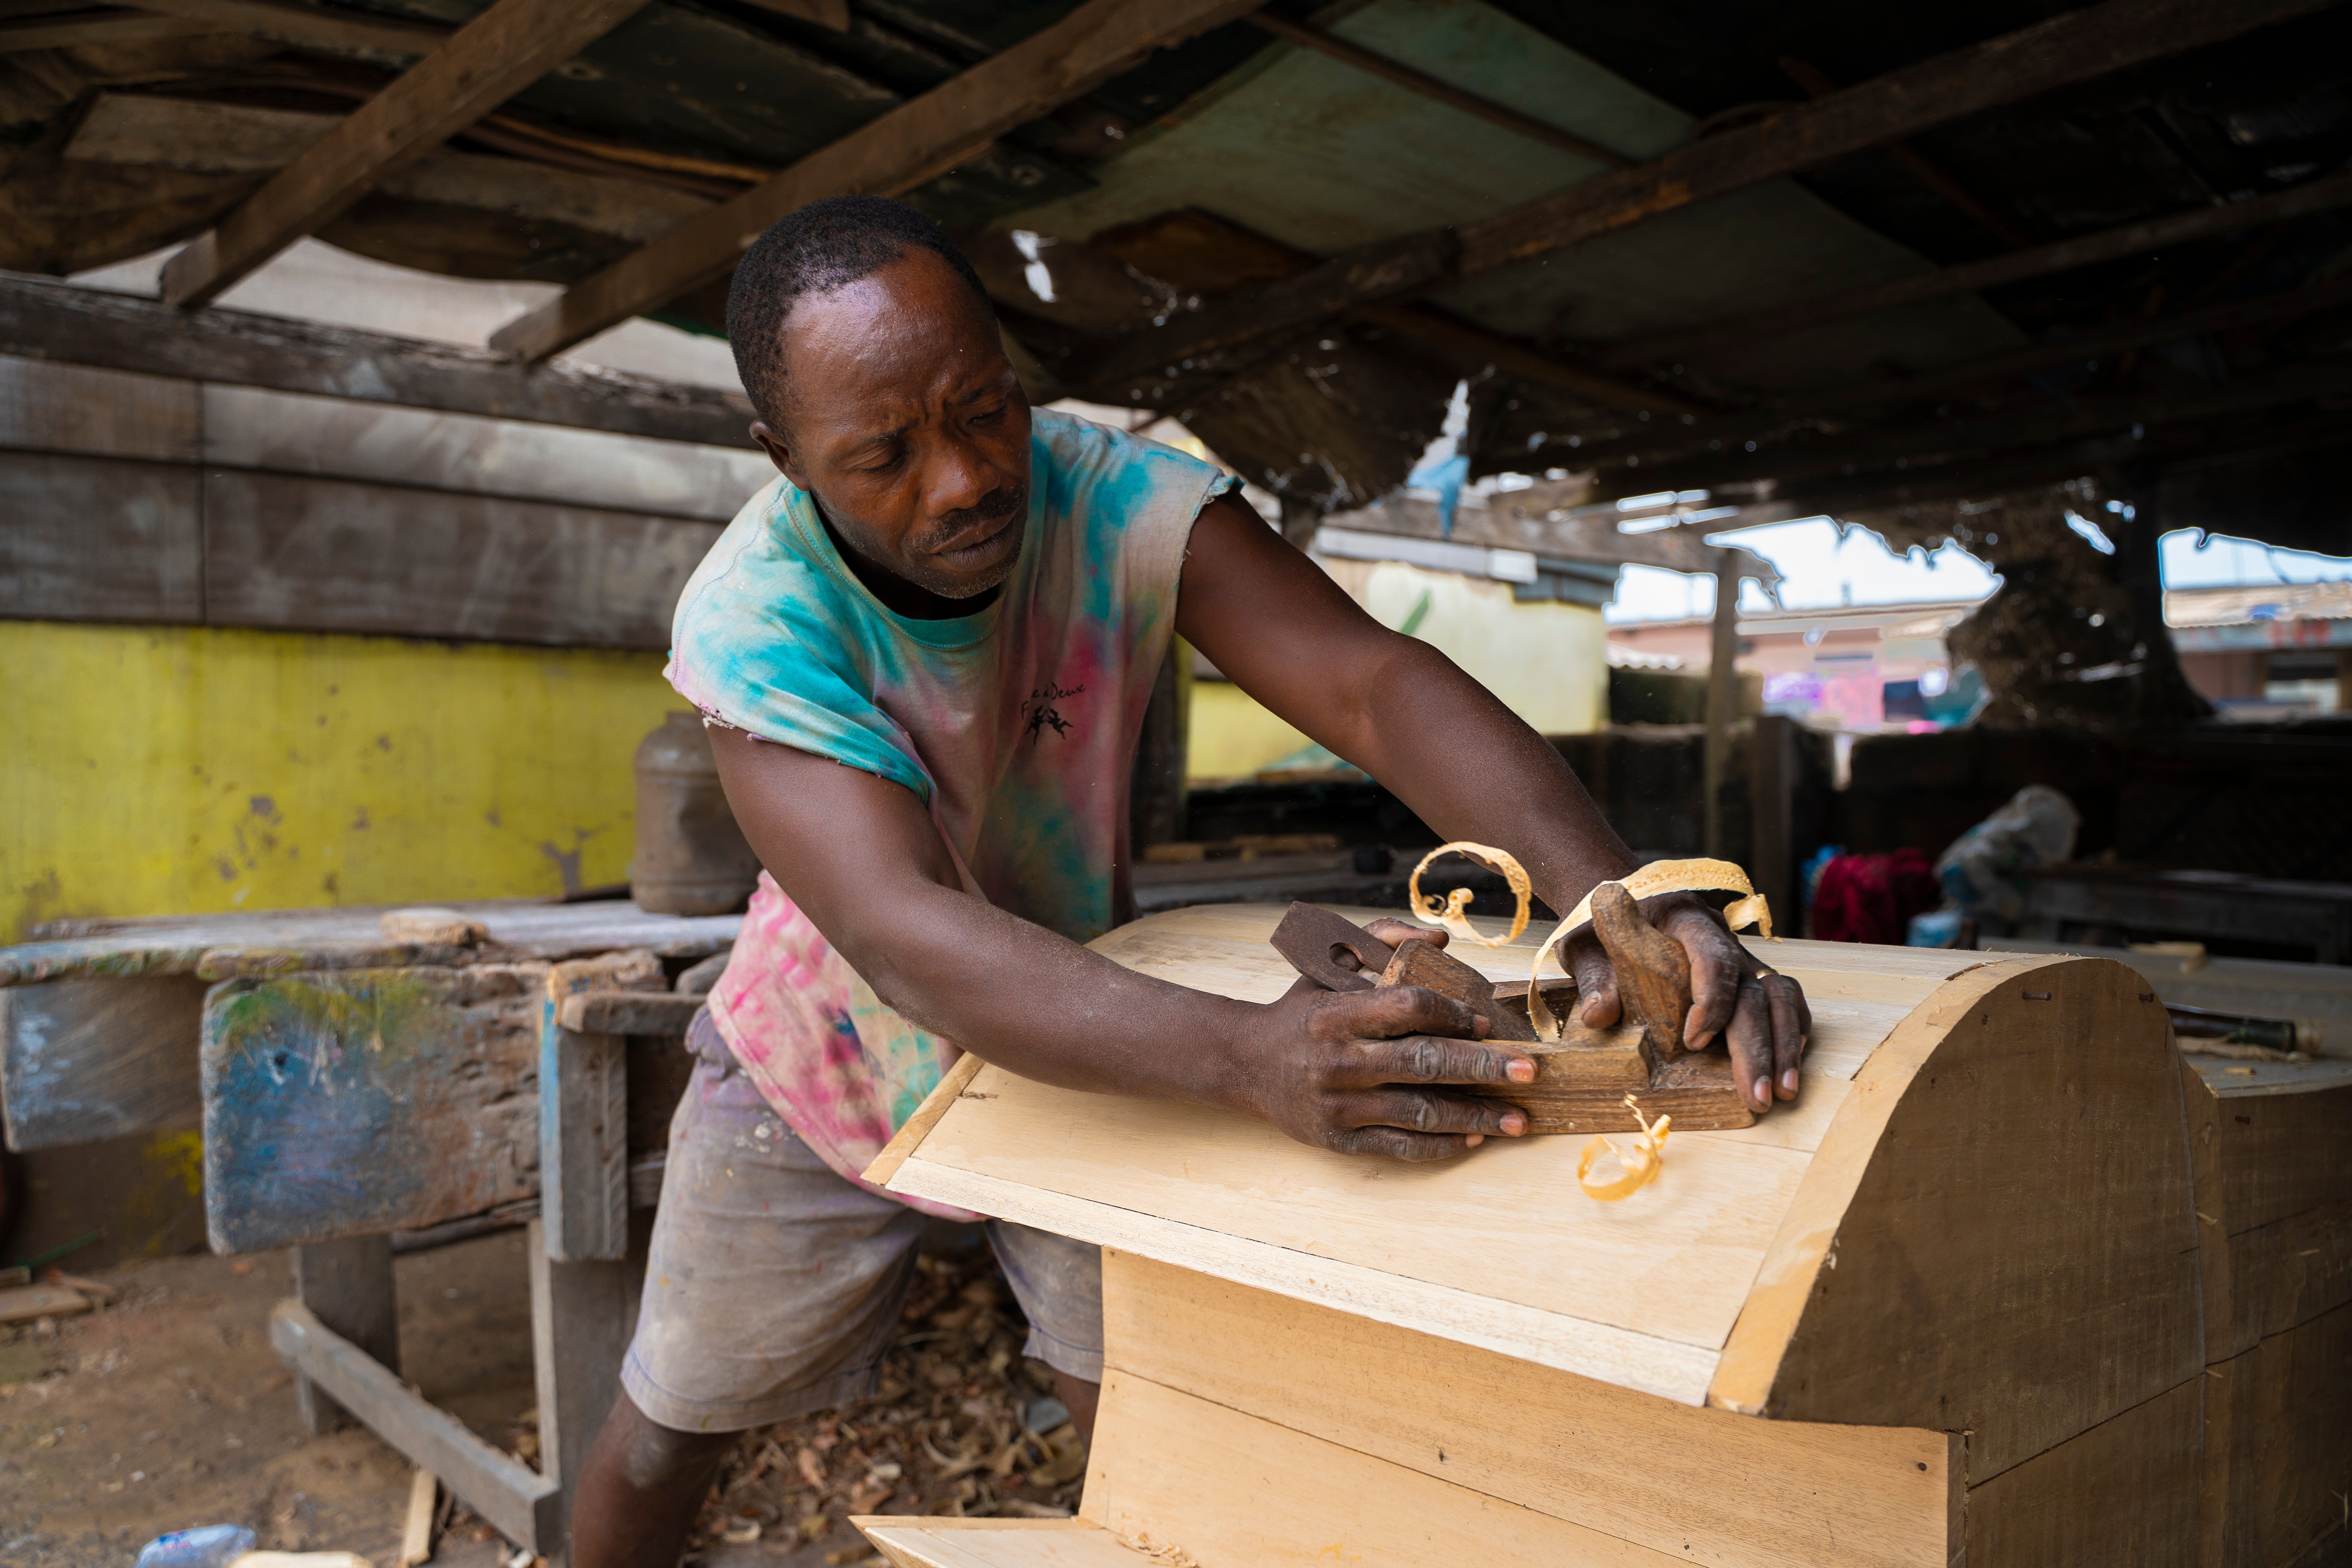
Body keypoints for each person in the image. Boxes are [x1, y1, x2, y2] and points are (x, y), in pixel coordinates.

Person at [568, 195, 1811, 1565]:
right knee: (674, 1422)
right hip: (831, 1057)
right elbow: (905, 934)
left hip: (1105, 1034)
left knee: (1156, 1424)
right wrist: (1246, 1060)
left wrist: (1620, 902)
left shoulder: (1116, 498)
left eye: (986, 409)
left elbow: (1371, 683)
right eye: (883, 456)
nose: (965, 478)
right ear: (784, 458)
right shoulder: (756, 619)